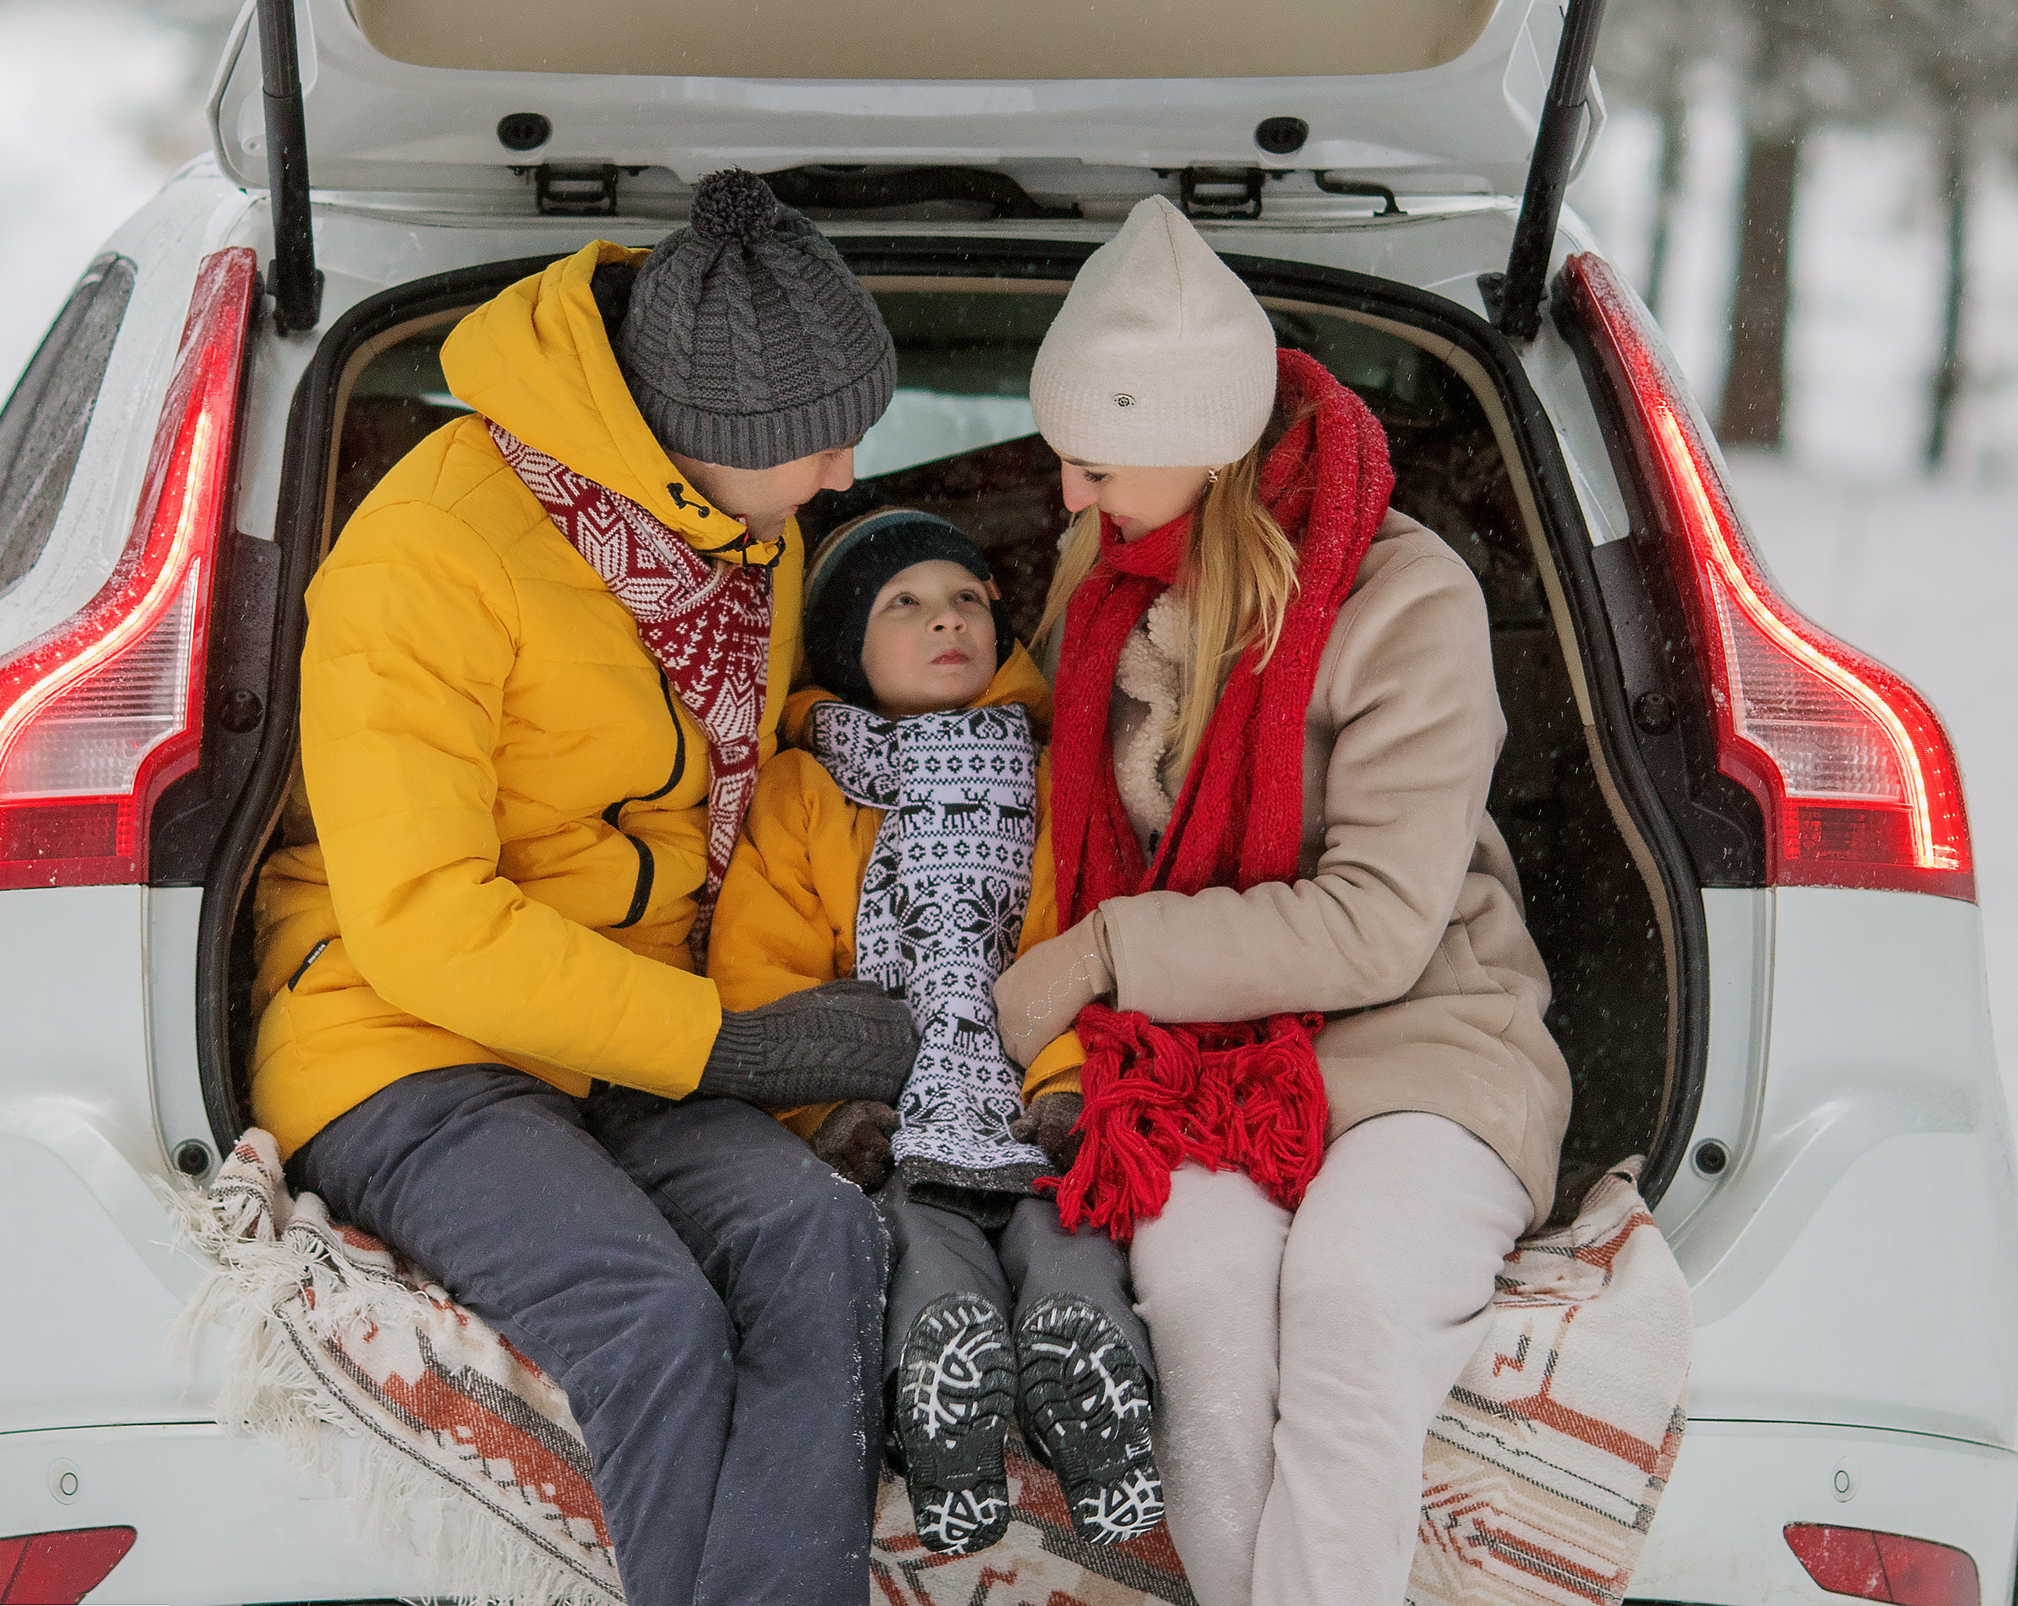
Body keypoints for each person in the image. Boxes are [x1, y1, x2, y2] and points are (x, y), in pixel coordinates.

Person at [246, 170, 919, 1606]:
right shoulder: (430, 557)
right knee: (654, 1315)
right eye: (815, 445)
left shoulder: (747, 536)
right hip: (405, 1039)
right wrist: (735, 1045)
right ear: (689, 439)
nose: (848, 479)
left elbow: (718, 818)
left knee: (817, 1233)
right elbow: (421, 916)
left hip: (624, 1030)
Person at [991, 195, 1571, 1606]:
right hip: (1203, 1063)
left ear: (1196, 441)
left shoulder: (1401, 598)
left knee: (1352, 1304)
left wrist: (1109, 950)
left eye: (1091, 458)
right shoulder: (1105, 588)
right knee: (1197, 1299)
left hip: (1420, 1040)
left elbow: (1376, 921)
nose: (1065, 494)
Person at [710, 508, 1161, 1557]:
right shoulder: (802, 791)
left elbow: (1077, 940)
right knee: (916, 1239)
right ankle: (942, 1398)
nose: (945, 620)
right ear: (845, 652)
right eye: (902, 605)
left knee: (1071, 1235)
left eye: (965, 598)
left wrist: (1061, 1084)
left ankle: (1091, 1383)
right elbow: (760, 974)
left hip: (1026, 1111)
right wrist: (831, 1108)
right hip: (893, 1115)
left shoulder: (1053, 776)